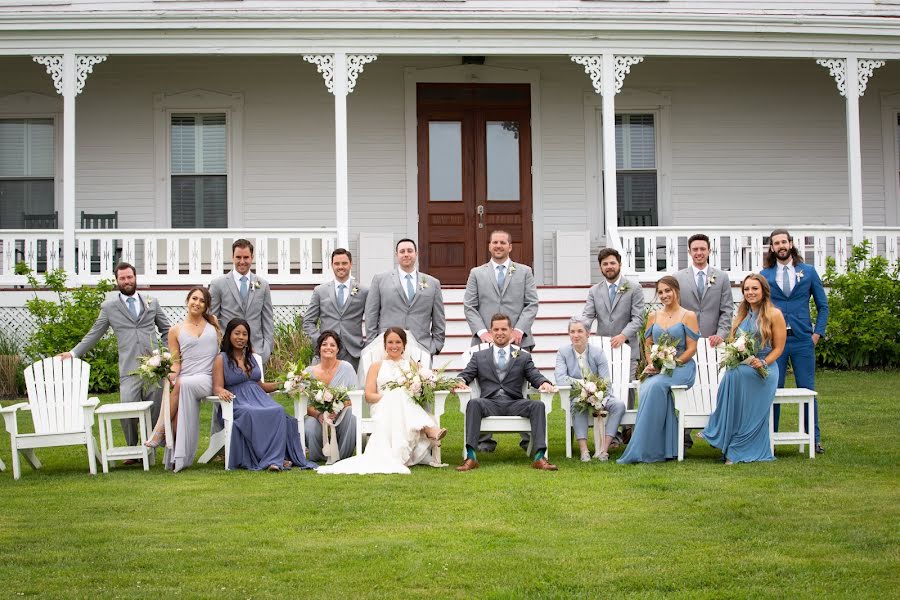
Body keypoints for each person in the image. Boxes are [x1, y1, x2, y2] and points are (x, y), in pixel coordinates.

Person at [60, 262, 171, 458]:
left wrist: (163, 354)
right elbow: (94, 334)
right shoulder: (109, 307)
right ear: (117, 281)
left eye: (130, 277)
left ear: (135, 278)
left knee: (155, 408)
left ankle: (151, 446)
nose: (127, 281)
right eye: (122, 278)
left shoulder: (151, 301)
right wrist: (73, 353)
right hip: (129, 369)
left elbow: (167, 330)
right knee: (127, 407)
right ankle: (132, 449)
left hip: (154, 368)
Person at [317, 327, 447, 475]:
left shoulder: (412, 366)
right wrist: (391, 397)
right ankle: (429, 429)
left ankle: (426, 431)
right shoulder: (376, 366)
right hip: (381, 406)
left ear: (404, 345)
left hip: (406, 410)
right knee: (397, 394)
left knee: (400, 396)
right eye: (390, 342)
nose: (394, 346)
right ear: (385, 345)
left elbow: (424, 388)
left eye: (398, 342)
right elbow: (369, 395)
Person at [463, 229, 539, 453]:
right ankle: (484, 441)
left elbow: (531, 303)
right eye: (494, 242)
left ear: (510, 246)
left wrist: (519, 330)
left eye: (503, 242)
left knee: (520, 389)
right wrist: (481, 332)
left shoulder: (524, 271)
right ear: (489, 246)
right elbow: (470, 306)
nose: (498, 245)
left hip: (518, 341)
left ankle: (528, 440)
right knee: (484, 390)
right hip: (485, 341)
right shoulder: (477, 273)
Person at [455, 314, 558, 472]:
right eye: (496, 329)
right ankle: (471, 457)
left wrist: (544, 383)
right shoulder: (479, 356)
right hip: (489, 403)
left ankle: (539, 458)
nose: (500, 332)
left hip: (514, 403)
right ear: (491, 331)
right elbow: (466, 374)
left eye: (504, 329)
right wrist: (460, 382)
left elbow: (534, 375)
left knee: (538, 405)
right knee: (474, 403)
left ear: (511, 331)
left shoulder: (522, 356)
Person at [700, 274, 786, 464]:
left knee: (733, 373)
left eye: (754, 288)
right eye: (747, 289)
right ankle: (723, 434)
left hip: (766, 369)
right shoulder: (742, 315)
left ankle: (723, 435)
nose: (750, 292)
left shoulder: (774, 314)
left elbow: (779, 348)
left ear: (763, 291)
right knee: (733, 372)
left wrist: (763, 362)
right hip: (744, 367)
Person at [212, 319, 317, 472]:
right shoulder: (221, 358)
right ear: (229, 335)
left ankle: (276, 459)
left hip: (259, 398)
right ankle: (272, 459)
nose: (241, 337)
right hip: (237, 402)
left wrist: (286, 383)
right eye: (237, 333)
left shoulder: (251, 358)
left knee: (278, 410)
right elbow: (217, 387)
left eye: (244, 334)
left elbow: (260, 385)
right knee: (251, 413)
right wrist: (222, 391)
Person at [760, 228, 829, 454]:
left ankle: (814, 438)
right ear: (771, 248)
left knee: (807, 388)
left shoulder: (808, 272)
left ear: (790, 244)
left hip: (802, 341)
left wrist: (816, 334)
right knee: (773, 389)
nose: (780, 246)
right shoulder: (765, 275)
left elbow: (823, 306)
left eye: (784, 242)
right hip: (774, 342)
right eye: (776, 243)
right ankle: (770, 437)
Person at [618, 276, 699, 464]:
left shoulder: (688, 316)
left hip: (682, 367)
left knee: (654, 386)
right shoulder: (654, 316)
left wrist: (672, 363)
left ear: (676, 291)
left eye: (667, 291)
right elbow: (647, 344)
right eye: (660, 292)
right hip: (659, 368)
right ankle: (665, 447)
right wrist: (652, 363)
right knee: (647, 385)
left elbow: (691, 348)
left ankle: (645, 448)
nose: (664, 295)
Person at [144, 287, 220, 473]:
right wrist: (170, 374)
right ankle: (177, 460)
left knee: (181, 384)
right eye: (194, 298)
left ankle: (159, 431)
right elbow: (176, 363)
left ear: (206, 305)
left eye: (202, 301)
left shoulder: (213, 324)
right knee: (178, 416)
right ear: (187, 300)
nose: (197, 303)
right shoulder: (175, 330)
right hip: (185, 379)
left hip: (208, 378)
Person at [673, 233, 733, 449]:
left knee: (714, 386)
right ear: (689, 252)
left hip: (713, 342)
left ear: (709, 251)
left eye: (702, 249)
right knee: (687, 386)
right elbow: (674, 309)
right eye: (695, 249)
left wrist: (722, 333)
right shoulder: (679, 277)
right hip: (686, 342)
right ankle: (685, 434)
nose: (699, 253)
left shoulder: (721, 277)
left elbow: (727, 309)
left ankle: (716, 431)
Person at [554, 316, 626, 462]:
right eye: (572, 331)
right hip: (577, 395)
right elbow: (560, 378)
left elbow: (606, 381)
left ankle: (603, 450)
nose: (576, 335)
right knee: (577, 404)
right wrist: (583, 385)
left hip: (599, 394)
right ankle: (584, 450)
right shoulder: (563, 352)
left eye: (580, 331)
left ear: (588, 334)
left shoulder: (597, 353)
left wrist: (598, 396)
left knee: (619, 405)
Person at [364, 238, 445, 356]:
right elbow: (371, 314)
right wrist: (374, 343)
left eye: (410, 251)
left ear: (416, 254)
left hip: (422, 348)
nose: (406, 254)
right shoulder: (380, 280)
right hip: (388, 348)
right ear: (396, 255)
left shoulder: (432, 283)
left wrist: (436, 346)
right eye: (402, 251)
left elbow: (439, 318)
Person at [209, 239, 274, 363]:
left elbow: (267, 319)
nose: (242, 261)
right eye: (238, 257)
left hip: (256, 350)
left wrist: (266, 349)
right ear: (232, 257)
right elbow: (212, 319)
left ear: (252, 258)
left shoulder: (262, 284)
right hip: (227, 350)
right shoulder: (218, 284)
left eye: (246, 257)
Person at [302, 248, 368, 371]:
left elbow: (372, 320)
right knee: (321, 388)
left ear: (351, 264)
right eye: (337, 263)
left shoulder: (363, 291)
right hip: (326, 352)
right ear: (332, 265)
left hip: (353, 351)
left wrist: (367, 344)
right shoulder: (320, 291)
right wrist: (321, 340)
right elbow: (308, 322)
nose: (340, 267)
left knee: (352, 388)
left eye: (344, 263)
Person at [303, 331, 359, 463]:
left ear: (338, 349)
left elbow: (354, 399)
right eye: (324, 344)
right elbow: (306, 406)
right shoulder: (308, 372)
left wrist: (337, 409)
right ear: (319, 348)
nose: (328, 347)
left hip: (341, 414)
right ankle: (318, 456)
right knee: (310, 424)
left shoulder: (347, 368)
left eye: (332, 345)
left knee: (352, 414)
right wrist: (319, 415)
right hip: (317, 417)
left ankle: (343, 455)